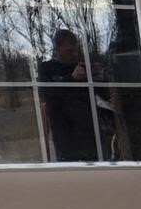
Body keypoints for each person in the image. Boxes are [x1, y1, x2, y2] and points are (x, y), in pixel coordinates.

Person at [36, 28, 100, 162]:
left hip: (90, 132)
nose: (74, 54)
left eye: (76, 49)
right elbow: (47, 93)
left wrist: (99, 77)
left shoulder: (82, 66)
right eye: (70, 50)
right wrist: (71, 78)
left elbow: (96, 96)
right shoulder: (47, 68)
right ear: (58, 49)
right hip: (65, 132)